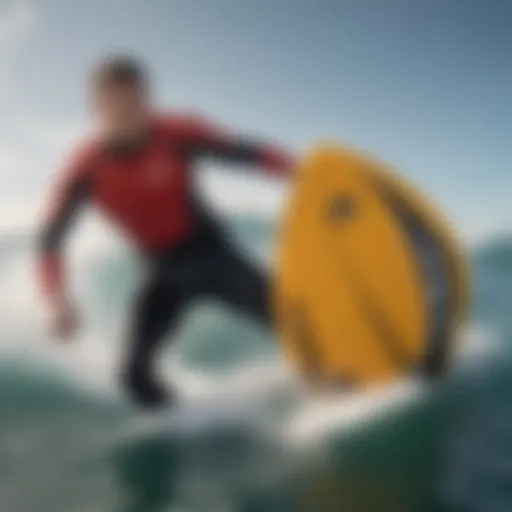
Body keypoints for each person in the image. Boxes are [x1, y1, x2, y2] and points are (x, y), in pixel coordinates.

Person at [37, 55, 294, 409]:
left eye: (137, 102)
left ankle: (342, 369)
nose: (130, 113)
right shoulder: (85, 168)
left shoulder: (175, 133)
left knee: (294, 320)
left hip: (212, 254)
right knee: (132, 376)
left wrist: (299, 171)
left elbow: (243, 152)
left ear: (149, 99)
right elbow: (50, 238)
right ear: (95, 108)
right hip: (163, 272)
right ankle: (187, 423)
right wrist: (56, 301)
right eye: (117, 105)